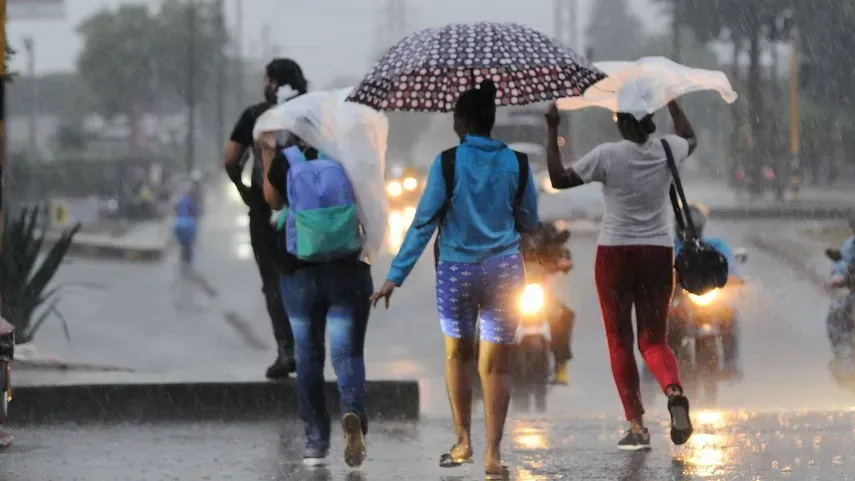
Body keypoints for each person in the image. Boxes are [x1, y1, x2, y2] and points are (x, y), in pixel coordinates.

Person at [371, 79, 538, 478]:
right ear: (492, 120)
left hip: (456, 274)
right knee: (497, 366)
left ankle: (463, 441)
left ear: (463, 121)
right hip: (504, 272)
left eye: (455, 116)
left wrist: (395, 276)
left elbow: (423, 223)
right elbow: (530, 220)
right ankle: (494, 456)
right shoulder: (518, 163)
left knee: (457, 355)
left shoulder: (447, 162)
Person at [544, 100, 696, 451]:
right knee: (654, 340)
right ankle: (673, 391)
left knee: (619, 340)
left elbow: (558, 178)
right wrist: (674, 103)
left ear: (624, 124)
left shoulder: (608, 155)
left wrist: (553, 128)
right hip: (657, 253)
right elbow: (690, 138)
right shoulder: (668, 148)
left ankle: (637, 426)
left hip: (614, 253)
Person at [260, 134, 373, 468]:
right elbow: (368, 204)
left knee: (308, 355)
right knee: (347, 352)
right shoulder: (344, 158)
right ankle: (351, 408)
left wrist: (267, 153)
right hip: (347, 270)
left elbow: (273, 201)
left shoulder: (287, 160)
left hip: (300, 273)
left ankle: (315, 440)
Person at [223, 58, 306, 380]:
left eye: (266, 79)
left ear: (273, 84)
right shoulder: (314, 113)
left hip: (265, 211)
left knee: (274, 282)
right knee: (305, 280)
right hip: (310, 212)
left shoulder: (257, 116)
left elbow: (231, 159)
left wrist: (243, 188)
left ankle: (287, 350)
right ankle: (309, 348)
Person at [673, 203, 742, 375]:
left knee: (729, 317)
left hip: (710, 298)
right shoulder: (670, 247)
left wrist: (736, 279)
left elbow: (730, 267)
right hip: (679, 300)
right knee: (660, 326)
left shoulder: (716, 246)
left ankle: (730, 361)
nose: (690, 231)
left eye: (694, 226)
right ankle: (652, 373)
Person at [825, 218, 855, 367]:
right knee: (837, 311)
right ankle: (843, 354)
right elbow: (842, 261)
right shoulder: (851, 244)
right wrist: (838, 276)